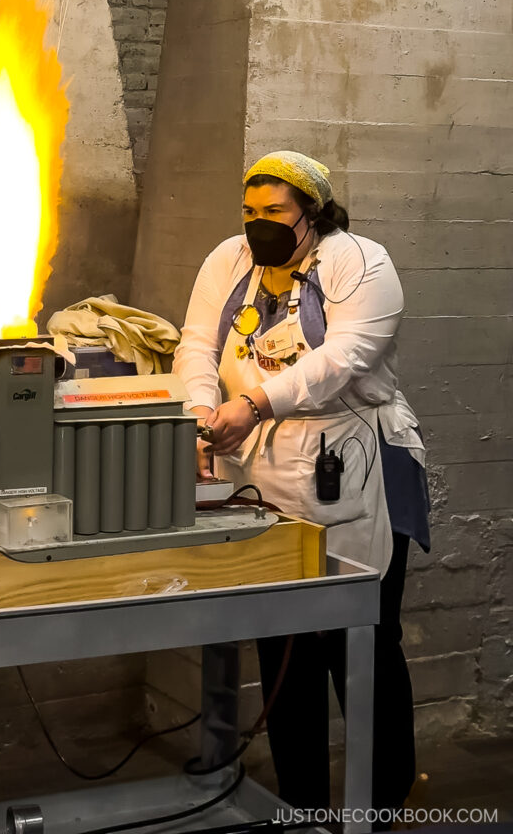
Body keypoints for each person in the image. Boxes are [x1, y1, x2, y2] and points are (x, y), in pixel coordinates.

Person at [172, 150, 430, 816]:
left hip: (355, 459)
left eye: (275, 212)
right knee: (285, 645)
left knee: (361, 635)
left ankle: (386, 797)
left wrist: (254, 403)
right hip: (264, 466)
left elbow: (346, 359)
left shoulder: (361, 262)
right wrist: (199, 414)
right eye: (250, 211)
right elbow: (197, 343)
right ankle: (303, 806)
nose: (259, 225)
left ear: (311, 212)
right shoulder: (229, 260)